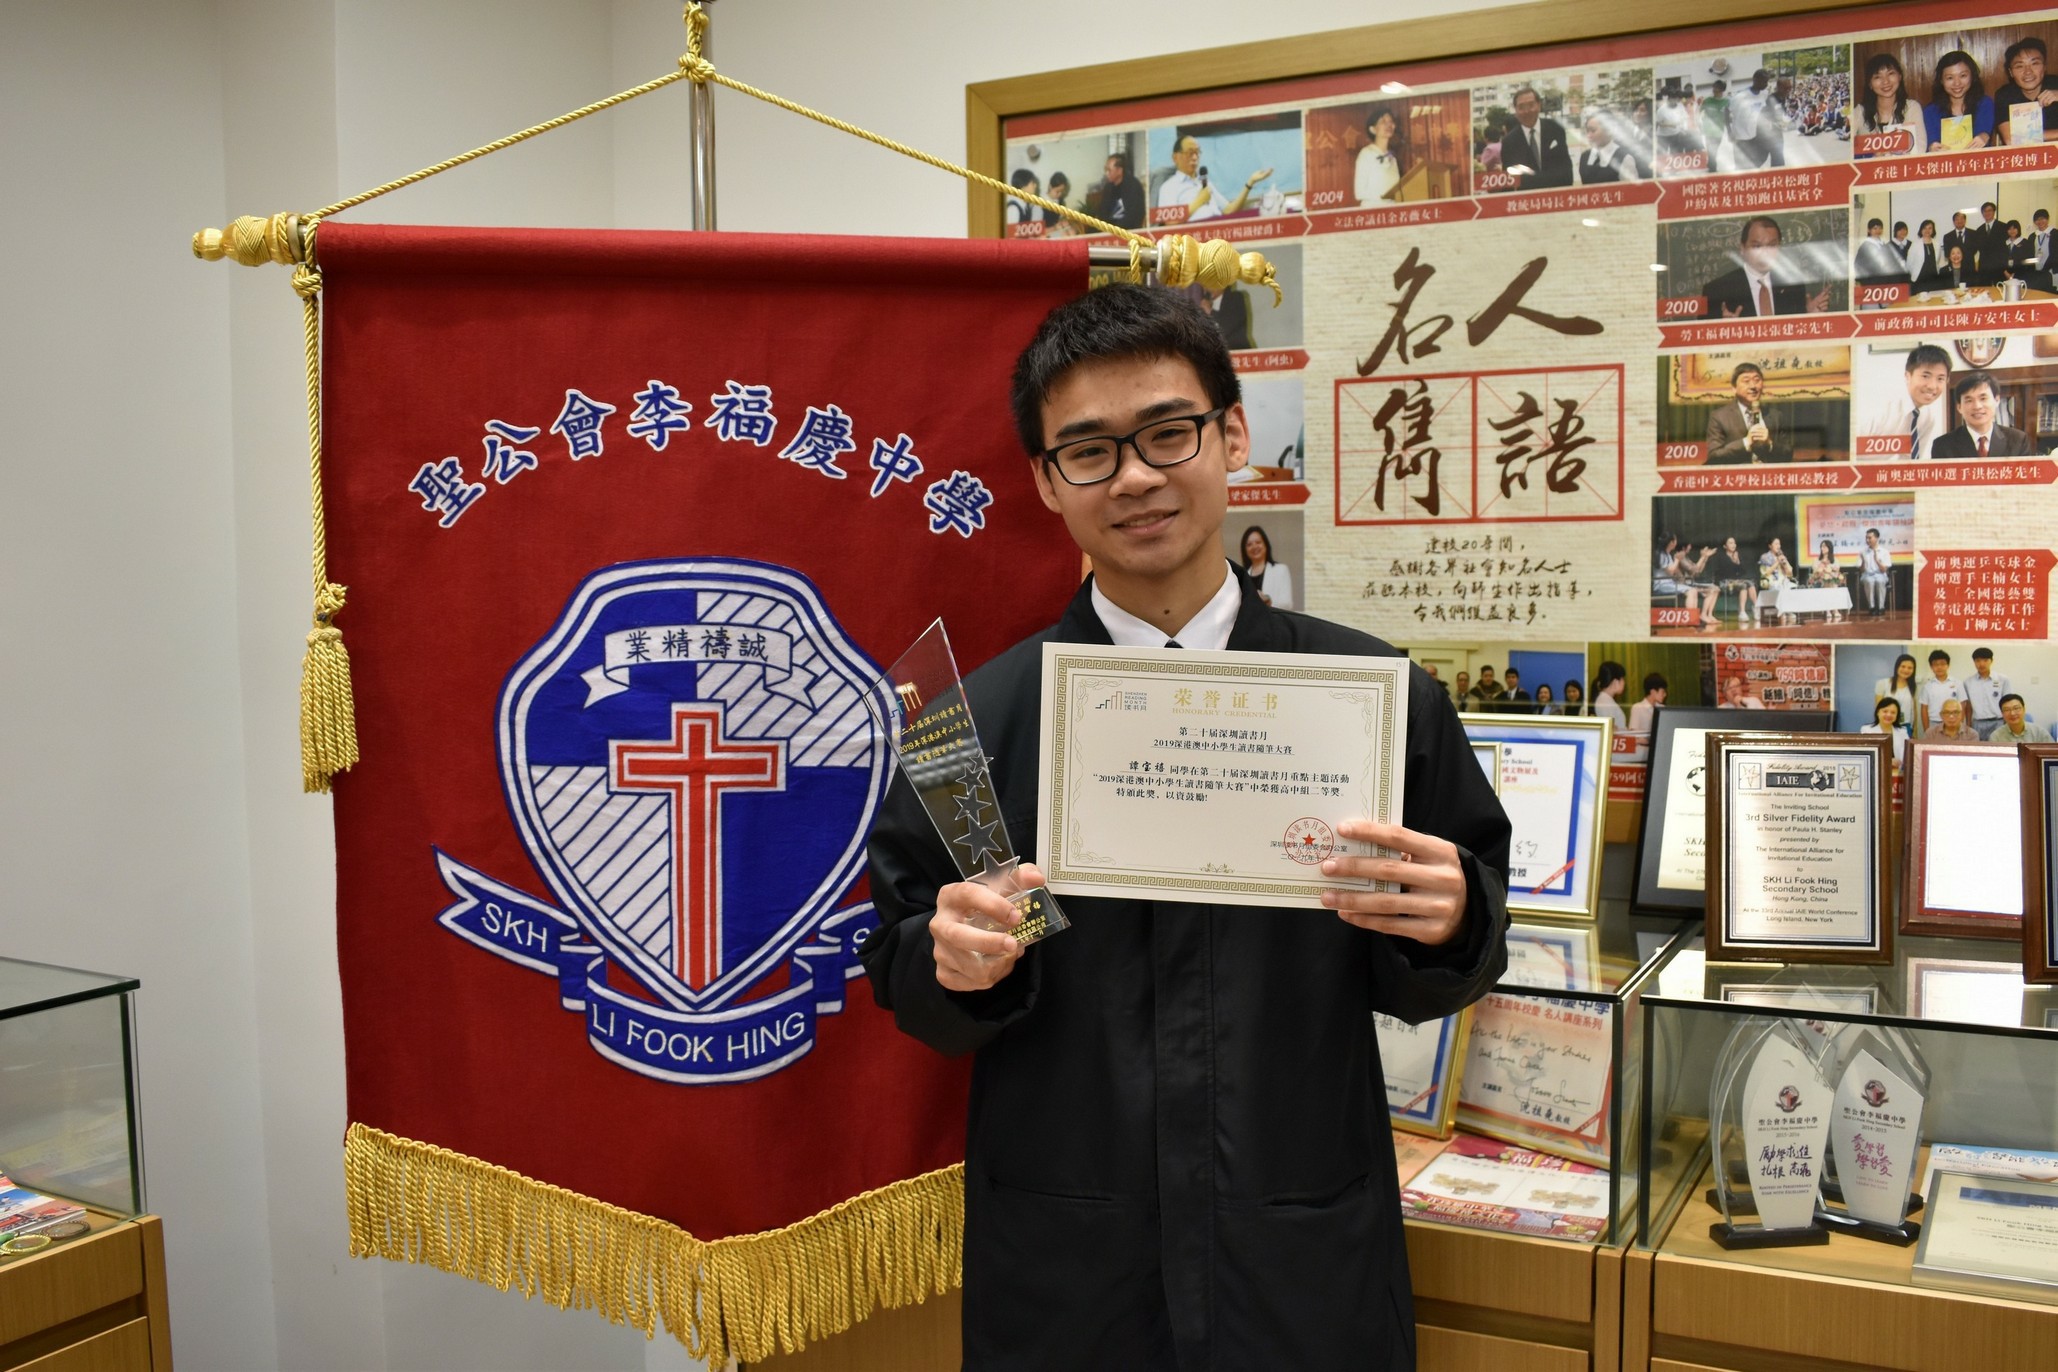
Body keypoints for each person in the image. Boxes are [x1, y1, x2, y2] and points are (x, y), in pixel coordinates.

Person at [862, 283, 1511, 1369]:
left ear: (1233, 435)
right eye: (1089, 451)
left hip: (1298, 1255)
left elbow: (1452, 957)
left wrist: (1450, 922)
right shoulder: (972, 728)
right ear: (1045, 480)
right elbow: (906, 971)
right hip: (1071, 1271)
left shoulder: (1374, 699)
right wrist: (952, 963)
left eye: (1169, 433)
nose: (1135, 477)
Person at [1704, 217, 1832, 318]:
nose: (1764, 253)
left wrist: (1808, 316)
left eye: (1771, 246)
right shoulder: (1716, 291)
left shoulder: (1793, 286)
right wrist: (1724, 331)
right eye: (1757, 246)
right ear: (1742, 249)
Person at [1861, 343, 1951, 461]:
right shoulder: (1881, 409)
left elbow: (1911, 461)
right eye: (1925, 376)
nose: (1932, 386)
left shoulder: (1927, 418)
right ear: (1908, 376)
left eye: (1940, 379)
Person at [1156, 134, 1272, 224]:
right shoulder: (1169, 187)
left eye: (1197, 152)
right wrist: (1199, 201)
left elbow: (1228, 210)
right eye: (1190, 153)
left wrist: (1250, 182)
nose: (1195, 157)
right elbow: (1170, 223)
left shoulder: (1204, 182)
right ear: (1175, 157)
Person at [1933, 370, 2034, 459]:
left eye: (1983, 398)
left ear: (1997, 400)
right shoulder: (1943, 445)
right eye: (1969, 400)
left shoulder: (2018, 440)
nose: (1977, 406)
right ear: (1959, 407)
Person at [1705, 363, 1790, 466]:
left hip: (1768, 474)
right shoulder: (1719, 417)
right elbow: (1714, 457)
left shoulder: (1776, 416)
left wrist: (1770, 444)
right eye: (1746, 381)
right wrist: (1746, 442)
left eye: (1757, 380)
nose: (1753, 386)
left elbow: (1788, 454)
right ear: (1734, 388)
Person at [1499, 86, 1573, 190]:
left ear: (1539, 105)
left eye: (1531, 105)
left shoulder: (1556, 129)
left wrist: (1532, 180)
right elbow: (1510, 181)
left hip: (1556, 195)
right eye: (1521, 107)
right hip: (1526, 198)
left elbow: (1566, 174)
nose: (1527, 111)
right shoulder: (1509, 142)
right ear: (1515, 110)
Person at [1924, 50, 1995, 153]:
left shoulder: (1985, 104)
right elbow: (1932, 139)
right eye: (1950, 78)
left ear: (1972, 76)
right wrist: (1932, 147)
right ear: (1941, 81)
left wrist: (1984, 136)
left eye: (1963, 76)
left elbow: (1984, 131)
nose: (1957, 83)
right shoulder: (1930, 111)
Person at [1855, 52, 1924, 156]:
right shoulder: (1860, 112)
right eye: (1877, 77)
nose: (1885, 81)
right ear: (1870, 84)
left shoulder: (1912, 108)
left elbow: (1920, 149)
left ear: (1899, 76)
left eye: (1890, 73)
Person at [1995, 38, 2058, 144]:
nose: (2028, 72)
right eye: (2019, 66)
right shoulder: (2005, 95)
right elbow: (2010, 139)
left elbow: (2019, 138)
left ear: (2044, 67)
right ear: (2010, 72)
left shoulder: (2055, 84)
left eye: (2035, 64)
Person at [1654, 532, 1720, 628]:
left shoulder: (1669, 555)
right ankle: (1692, 619)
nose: (1691, 547)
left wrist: (1704, 557)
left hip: (1672, 583)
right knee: (1692, 590)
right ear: (1672, 542)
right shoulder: (1665, 555)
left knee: (1694, 590)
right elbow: (1673, 572)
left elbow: (1695, 571)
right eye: (1689, 545)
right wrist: (1677, 560)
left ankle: (1694, 619)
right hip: (1663, 584)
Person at [1238, 523, 1295, 609]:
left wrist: (1268, 601)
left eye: (1258, 542)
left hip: (1272, 617)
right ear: (1244, 550)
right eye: (1249, 544)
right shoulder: (1242, 577)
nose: (1254, 546)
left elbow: (1287, 604)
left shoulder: (1281, 570)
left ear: (1266, 545)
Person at [1355, 107, 1403, 205]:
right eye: (1383, 121)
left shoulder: (1392, 159)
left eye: (1391, 121)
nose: (1389, 124)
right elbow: (1359, 193)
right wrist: (1386, 195)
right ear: (1373, 129)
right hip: (1372, 209)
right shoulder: (1366, 153)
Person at [1963, 647, 2012, 740]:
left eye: (1985, 660)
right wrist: (1968, 726)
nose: (1981, 664)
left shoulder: (2003, 680)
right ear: (1974, 662)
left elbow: (2007, 704)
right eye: (1978, 661)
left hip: (1998, 722)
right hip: (1977, 723)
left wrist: (2007, 724)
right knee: (1978, 748)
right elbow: (1968, 707)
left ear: (1991, 661)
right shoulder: (1968, 682)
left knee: (1998, 748)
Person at [1088, 153, 1146, 230]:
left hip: (1127, 229)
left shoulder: (1133, 186)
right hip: (1110, 228)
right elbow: (1102, 212)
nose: (1106, 173)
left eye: (1109, 170)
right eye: (1106, 170)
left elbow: (1134, 215)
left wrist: (1114, 229)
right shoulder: (1108, 187)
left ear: (1119, 170)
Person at [1709, 535, 1760, 623]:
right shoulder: (1721, 557)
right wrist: (1734, 562)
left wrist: (1737, 561)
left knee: (1750, 583)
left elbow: (1742, 572)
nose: (1733, 545)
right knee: (1743, 585)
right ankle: (1742, 612)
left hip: (1735, 581)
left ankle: (1756, 607)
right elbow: (1726, 571)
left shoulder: (1737, 555)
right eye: (1730, 543)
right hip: (1723, 582)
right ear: (1725, 546)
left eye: (1734, 543)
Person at [1579, 112, 1640, 183]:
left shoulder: (1624, 158)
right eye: (1587, 131)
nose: (1589, 135)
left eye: (1593, 131)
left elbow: (1631, 188)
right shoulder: (1585, 156)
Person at [1916, 648, 1965, 735]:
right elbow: (1924, 709)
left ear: (1948, 665)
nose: (1939, 667)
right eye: (1935, 664)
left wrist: (1959, 725)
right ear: (1931, 667)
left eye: (1942, 664)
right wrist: (1927, 730)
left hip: (1953, 722)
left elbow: (1962, 705)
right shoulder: (1927, 686)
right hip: (1934, 723)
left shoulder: (1957, 683)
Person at [1861, 696, 1910, 770]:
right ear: (1878, 712)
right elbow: (1867, 755)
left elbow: (1907, 754)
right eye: (1885, 711)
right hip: (1876, 770)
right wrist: (1888, 761)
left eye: (1893, 712)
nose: (1889, 715)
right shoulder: (1867, 730)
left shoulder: (1902, 731)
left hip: (1897, 771)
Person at [1874, 652, 1919, 730]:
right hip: (1887, 725)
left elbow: (1914, 710)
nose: (1906, 670)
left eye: (1910, 668)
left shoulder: (1913, 686)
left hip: (1906, 726)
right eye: (1903, 666)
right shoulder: (1883, 683)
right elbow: (1878, 708)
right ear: (1897, 667)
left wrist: (1915, 729)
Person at [1759, 537, 1797, 626]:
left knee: (1791, 587)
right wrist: (1777, 562)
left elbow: (1790, 573)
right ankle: (1784, 611)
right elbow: (1766, 573)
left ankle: (1788, 609)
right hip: (1771, 582)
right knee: (1780, 588)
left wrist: (1785, 563)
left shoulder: (1782, 556)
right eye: (1776, 544)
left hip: (1783, 581)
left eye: (1779, 544)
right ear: (1770, 546)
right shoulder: (1765, 557)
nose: (1778, 546)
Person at [1856, 527, 1893, 617]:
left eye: (1870, 538)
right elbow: (1861, 570)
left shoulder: (1884, 552)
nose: (1867, 540)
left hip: (1880, 574)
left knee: (1880, 581)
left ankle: (1881, 607)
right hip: (1867, 574)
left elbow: (1884, 569)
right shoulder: (1863, 552)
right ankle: (1871, 607)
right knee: (1869, 581)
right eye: (1866, 538)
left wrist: (1877, 560)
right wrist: (1863, 561)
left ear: (1876, 538)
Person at [1807, 537, 1845, 623]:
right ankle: (1828, 609)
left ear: (1829, 548)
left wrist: (1829, 571)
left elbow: (1836, 573)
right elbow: (1815, 574)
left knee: (1833, 584)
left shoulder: (1835, 560)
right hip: (1820, 582)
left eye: (1824, 546)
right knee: (1825, 584)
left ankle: (1834, 609)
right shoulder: (1816, 560)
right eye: (1821, 546)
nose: (1822, 548)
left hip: (1832, 581)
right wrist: (1822, 570)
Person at [1969, 202, 2008, 286]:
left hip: (1999, 267)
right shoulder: (1979, 230)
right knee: (1985, 291)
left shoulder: (2003, 227)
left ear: (1994, 211)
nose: (1987, 213)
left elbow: (2007, 249)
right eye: (1984, 211)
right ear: (1982, 213)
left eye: (1989, 210)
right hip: (1984, 268)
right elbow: (1976, 248)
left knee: (2000, 290)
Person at [1592, 661, 1629, 730]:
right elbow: (1610, 729)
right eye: (1622, 679)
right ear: (1616, 682)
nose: (1624, 682)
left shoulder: (1606, 699)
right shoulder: (1604, 701)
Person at [1908, 219, 1944, 289]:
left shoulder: (1937, 244)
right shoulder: (1915, 244)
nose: (1927, 230)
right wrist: (1915, 273)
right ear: (1921, 230)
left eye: (1930, 228)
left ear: (1933, 230)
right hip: (1919, 279)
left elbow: (1937, 261)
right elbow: (1909, 263)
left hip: (1933, 278)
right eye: (1924, 228)